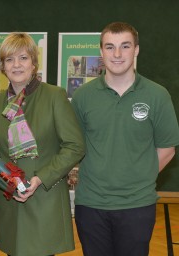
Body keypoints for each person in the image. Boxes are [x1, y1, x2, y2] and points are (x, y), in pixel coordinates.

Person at [71, 22, 179, 256]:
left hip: (137, 205)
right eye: (110, 47)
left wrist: (139, 179)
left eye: (125, 46)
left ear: (136, 50)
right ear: (101, 52)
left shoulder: (157, 95)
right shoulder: (82, 97)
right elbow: (73, 147)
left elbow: (167, 148)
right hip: (90, 204)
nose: (117, 54)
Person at [0, 32, 85, 256]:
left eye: (23, 58)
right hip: (10, 203)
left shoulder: (54, 96)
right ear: (3, 66)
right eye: (10, 59)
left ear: (34, 63)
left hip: (44, 199)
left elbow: (75, 146)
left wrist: (39, 179)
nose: (16, 65)